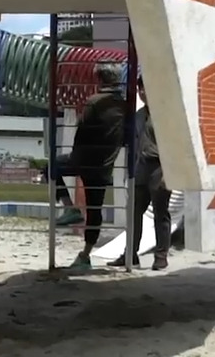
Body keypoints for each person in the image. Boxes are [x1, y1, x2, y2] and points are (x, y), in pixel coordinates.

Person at [47, 61, 127, 269]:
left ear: (99, 79)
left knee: (51, 166)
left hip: (86, 159)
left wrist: (76, 157)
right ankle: (85, 254)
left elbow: (81, 133)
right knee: (94, 209)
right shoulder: (124, 105)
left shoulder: (94, 102)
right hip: (105, 164)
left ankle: (69, 207)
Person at [110, 81, 171, 271]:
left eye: (146, 88)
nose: (143, 92)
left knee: (161, 213)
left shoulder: (164, 115)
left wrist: (167, 173)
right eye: (140, 89)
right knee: (134, 212)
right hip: (140, 167)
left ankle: (161, 256)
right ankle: (130, 254)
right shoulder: (138, 116)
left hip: (159, 166)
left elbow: (172, 146)